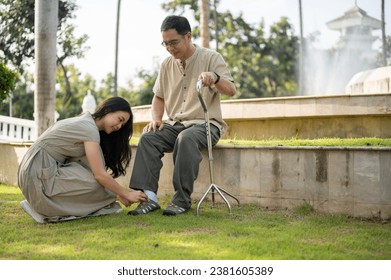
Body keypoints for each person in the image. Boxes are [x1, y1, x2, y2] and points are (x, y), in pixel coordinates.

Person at [128, 15, 236, 216]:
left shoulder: (211, 58)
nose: (170, 48)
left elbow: (231, 90)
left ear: (188, 37)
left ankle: (181, 200)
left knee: (185, 138)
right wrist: (157, 119)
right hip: (176, 124)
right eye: (165, 44)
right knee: (149, 138)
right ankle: (149, 198)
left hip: (206, 124)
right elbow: (158, 97)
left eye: (173, 42)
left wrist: (214, 78)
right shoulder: (166, 64)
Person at [18, 97, 147, 223]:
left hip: (33, 171)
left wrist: (117, 193)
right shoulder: (89, 129)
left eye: (122, 124)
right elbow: (100, 175)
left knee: (95, 180)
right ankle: (43, 209)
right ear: (108, 110)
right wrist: (126, 194)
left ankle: (44, 205)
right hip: (36, 174)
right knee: (96, 183)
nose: (119, 126)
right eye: (120, 119)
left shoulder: (85, 120)